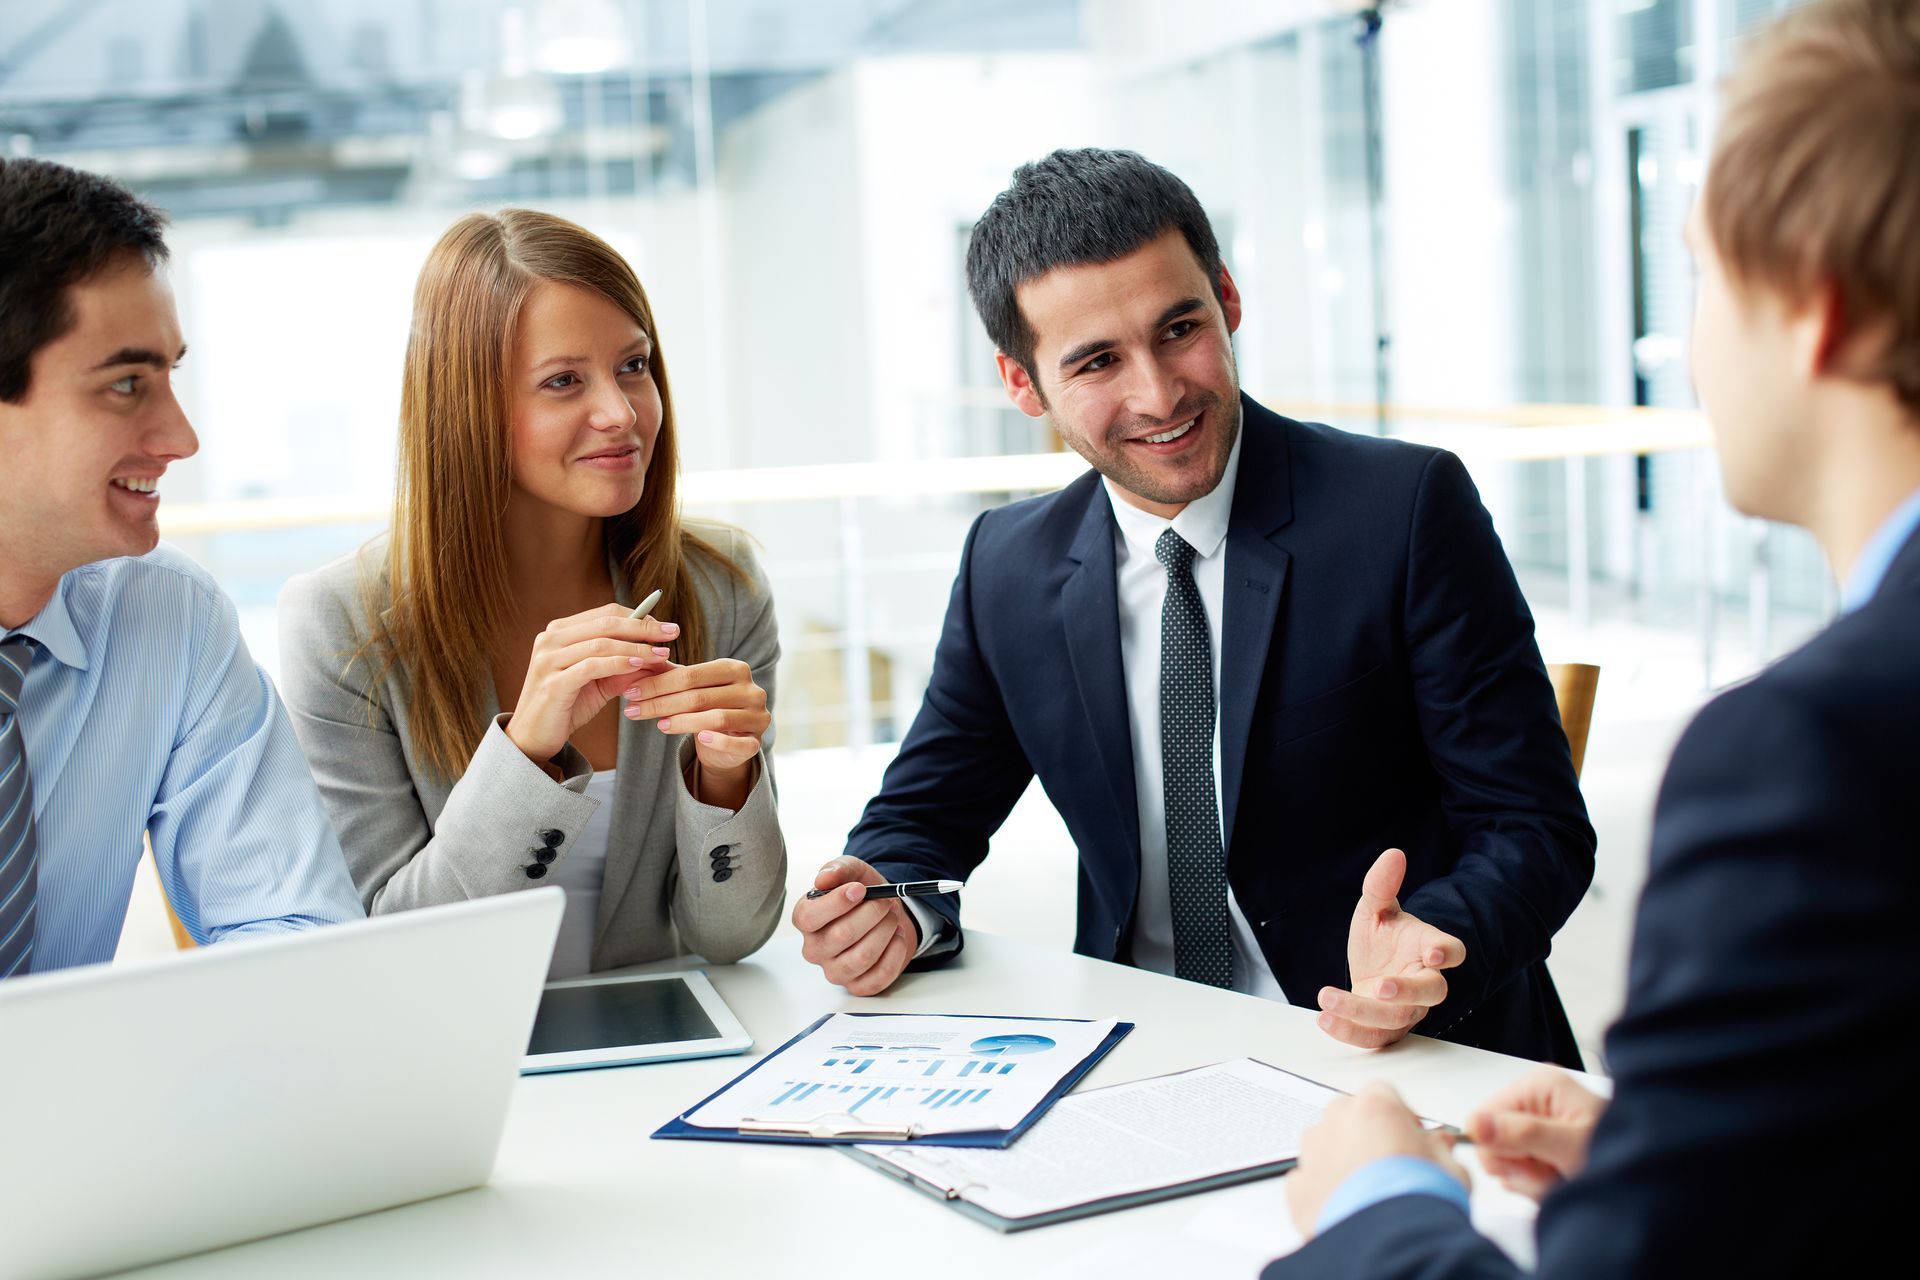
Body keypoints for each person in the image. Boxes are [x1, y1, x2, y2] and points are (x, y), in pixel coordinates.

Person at [1272, 1, 1920, 1273]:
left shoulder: (1809, 753)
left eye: (1701, 270)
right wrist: (1683, 1148)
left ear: (1813, 306)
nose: (1686, 344)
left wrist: (1380, 1200)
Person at [793, 148, 1596, 1066]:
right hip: (1140, 1053)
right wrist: (888, 907)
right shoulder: (1005, 567)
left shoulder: (1405, 510)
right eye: (1098, 361)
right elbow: (920, 824)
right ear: (1024, 385)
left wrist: (1434, 945)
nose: (1160, 394)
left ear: (1228, 299)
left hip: (1404, 1050)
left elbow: (1532, 826)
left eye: (1179, 329)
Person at [278, 210, 785, 977]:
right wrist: (524, 753)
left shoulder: (722, 587)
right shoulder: (341, 624)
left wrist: (725, 776)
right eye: (563, 381)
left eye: (634, 366)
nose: (621, 413)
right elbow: (388, 949)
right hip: (454, 1067)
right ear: (468, 406)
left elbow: (731, 936)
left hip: (663, 1060)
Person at [0, 158, 363, 977]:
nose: (180, 438)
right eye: (127, 384)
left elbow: (295, 927)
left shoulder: (167, 617)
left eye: (169, 374)